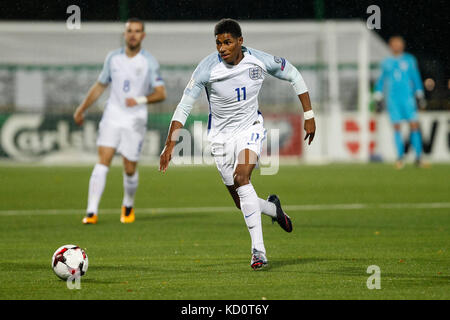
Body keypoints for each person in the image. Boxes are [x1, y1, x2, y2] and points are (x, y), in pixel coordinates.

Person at [159, 18, 316, 269]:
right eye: (219, 43)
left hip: (250, 129)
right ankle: (273, 210)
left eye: (228, 42)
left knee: (243, 177)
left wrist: (309, 115)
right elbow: (184, 105)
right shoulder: (207, 68)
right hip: (220, 138)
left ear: (240, 41)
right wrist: (170, 144)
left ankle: (258, 251)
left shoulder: (259, 60)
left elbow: (294, 75)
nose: (222, 48)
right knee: (240, 201)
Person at [73, 18, 166, 224]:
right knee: (103, 160)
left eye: (137, 31)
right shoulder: (112, 58)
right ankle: (91, 212)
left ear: (143, 35)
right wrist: (82, 108)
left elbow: (161, 93)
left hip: (135, 120)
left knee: (129, 168)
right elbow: (99, 86)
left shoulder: (149, 62)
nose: (133, 34)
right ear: (125, 34)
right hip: (112, 115)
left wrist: (140, 99)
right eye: (129, 31)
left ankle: (128, 205)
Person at [374, 35, 427, 169]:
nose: (397, 46)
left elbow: (415, 78)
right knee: (396, 127)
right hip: (393, 99)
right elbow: (381, 81)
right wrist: (378, 96)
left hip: (408, 99)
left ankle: (419, 157)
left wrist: (419, 94)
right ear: (390, 46)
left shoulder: (409, 60)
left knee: (414, 125)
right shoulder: (386, 62)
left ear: (402, 45)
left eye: (399, 44)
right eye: (394, 44)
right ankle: (400, 158)